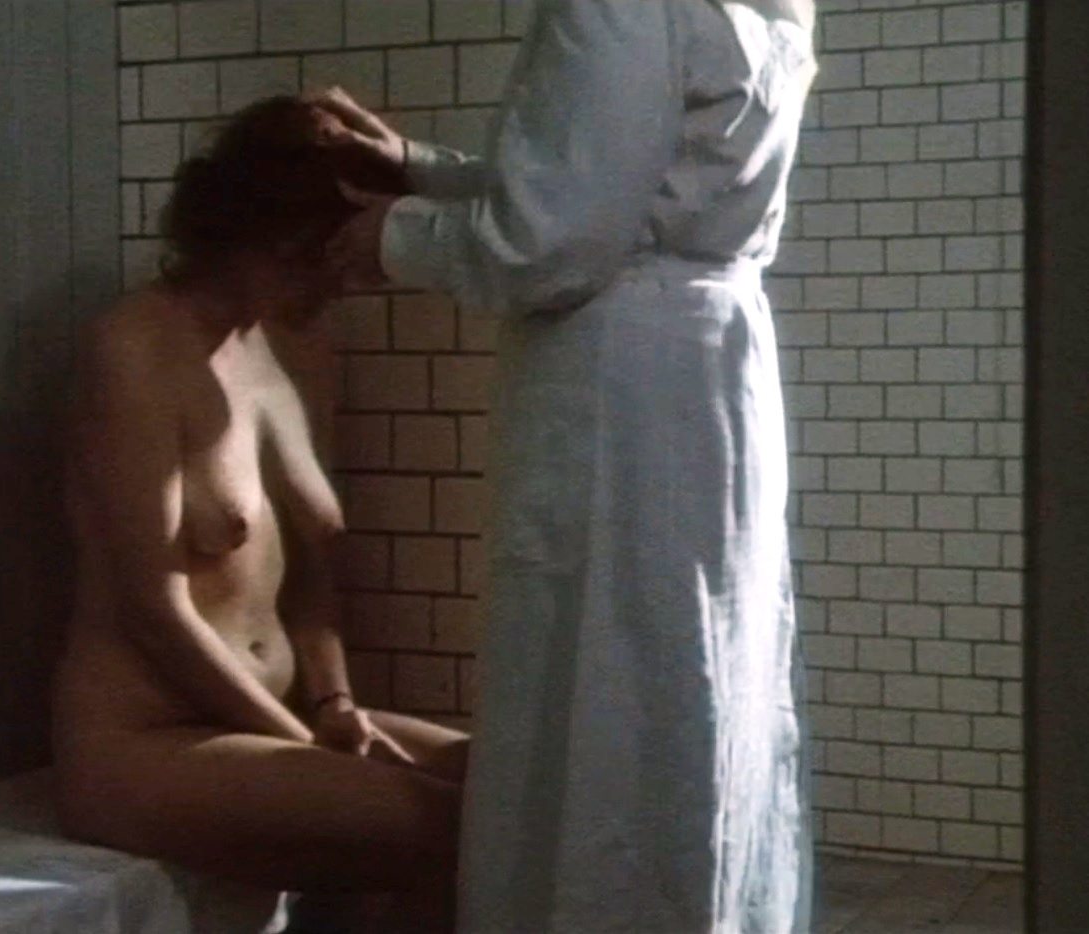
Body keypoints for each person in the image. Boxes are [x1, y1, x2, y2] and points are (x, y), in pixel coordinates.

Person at [317, 0, 819, 930]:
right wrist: (419, 168)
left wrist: (394, 237)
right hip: (706, 365)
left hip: (619, 382)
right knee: (688, 666)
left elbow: (553, 239)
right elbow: (625, 176)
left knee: (607, 670)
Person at [51, 95, 467, 932]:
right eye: (343, 257)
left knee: (524, 797)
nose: (355, 281)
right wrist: (306, 747)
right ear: (283, 236)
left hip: (278, 721)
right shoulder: (133, 349)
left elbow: (312, 575)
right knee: (449, 827)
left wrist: (335, 704)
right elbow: (153, 612)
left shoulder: (296, 347)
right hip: (147, 740)